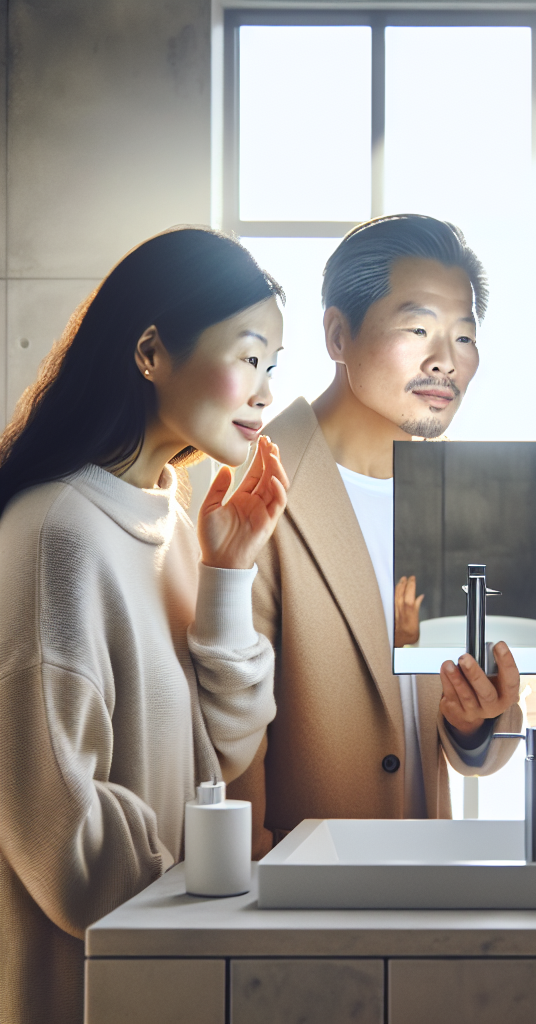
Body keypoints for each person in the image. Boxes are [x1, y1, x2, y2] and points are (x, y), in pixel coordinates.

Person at [0, 227, 287, 1024]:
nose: (265, 392)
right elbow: (61, 833)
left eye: (274, 367)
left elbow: (222, 754)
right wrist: (207, 883)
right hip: (96, 985)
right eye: (249, 356)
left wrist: (228, 576)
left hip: (172, 968)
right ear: (152, 351)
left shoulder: (173, 522)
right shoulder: (60, 531)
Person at [228, 215, 522, 856]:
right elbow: (224, 733)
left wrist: (474, 723)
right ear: (338, 333)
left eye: (464, 335)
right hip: (299, 897)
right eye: (417, 328)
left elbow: (482, 754)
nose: (445, 359)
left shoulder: (461, 498)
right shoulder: (247, 488)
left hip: (421, 887)